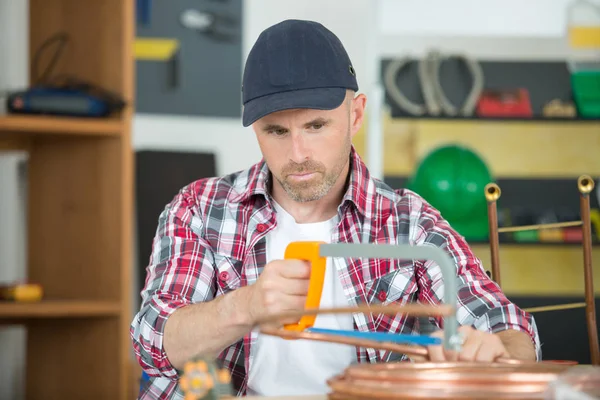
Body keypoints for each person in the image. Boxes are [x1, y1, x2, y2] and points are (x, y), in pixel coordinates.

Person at [130, 19, 540, 399]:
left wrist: (495, 353)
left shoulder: (409, 223)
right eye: (276, 131)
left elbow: (510, 329)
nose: (298, 154)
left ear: (356, 114)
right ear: (256, 129)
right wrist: (245, 306)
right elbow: (152, 345)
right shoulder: (201, 209)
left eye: (316, 126)